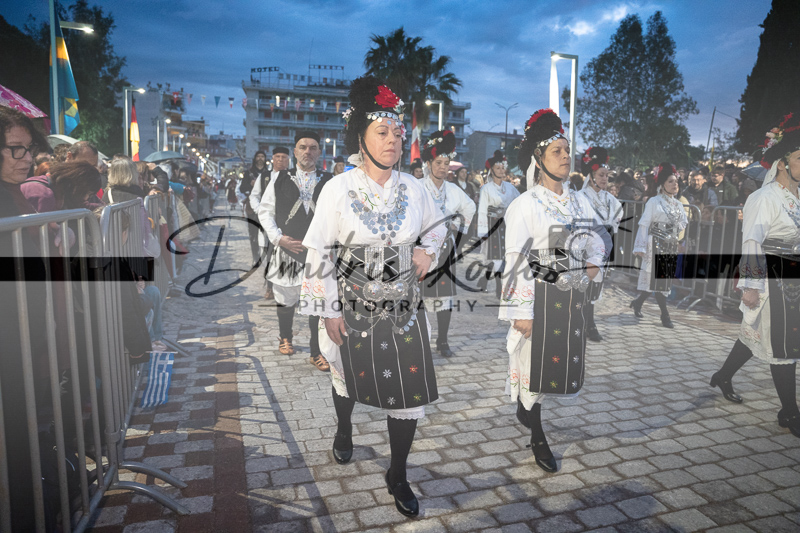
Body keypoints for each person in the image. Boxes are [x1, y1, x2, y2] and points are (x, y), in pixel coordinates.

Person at [300, 76, 445, 517]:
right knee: (345, 374)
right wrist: (327, 310)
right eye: (382, 132)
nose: (393, 140)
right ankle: (344, 429)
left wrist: (428, 251)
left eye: (397, 133)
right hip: (353, 303)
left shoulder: (415, 188)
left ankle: (397, 473)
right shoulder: (337, 188)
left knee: (410, 393)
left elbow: (437, 228)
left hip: (404, 306)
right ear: (360, 138)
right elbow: (319, 251)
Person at [500, 108, 607, 473]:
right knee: (535, 366)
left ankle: (526, 409)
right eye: (556, 151)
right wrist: (521, 312)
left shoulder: (580, 200)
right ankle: (538, 436)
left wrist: (594, 262)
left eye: (566, 150)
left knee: (557, 367)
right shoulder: (524, 205)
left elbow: (598, 238)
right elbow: (515, 260)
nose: (565, 157)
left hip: (571, 301)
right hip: (539, 298)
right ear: (539, 158)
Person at [710, 113, 800, 437]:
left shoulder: (797, 197)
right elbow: (751, 242)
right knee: (784, 345)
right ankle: (790, 412)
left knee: (755, 334)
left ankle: (723, 376)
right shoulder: (763, 198)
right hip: (770, 279)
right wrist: (749, 285)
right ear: (782, 164)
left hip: (792, 278)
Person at [0, 106, 54, 531]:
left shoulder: (15, 195)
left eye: (29, 148)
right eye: (15, 148)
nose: (27, 158)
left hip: (23, 339)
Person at [257, 131, 333, 370]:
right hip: (287, 249)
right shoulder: (279, 178)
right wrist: (279, 239)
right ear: (295, 151)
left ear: (319, 152)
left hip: (317, 252)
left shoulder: (330, 180)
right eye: (303, 147)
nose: (307, 152)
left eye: (313, 147)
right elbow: (265, 212)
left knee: (317, 302)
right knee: (286, 299)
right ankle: (285, 338)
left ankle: (316, 351)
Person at [419, 130, 476, 358]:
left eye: (446, 163)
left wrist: (458, 226)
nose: (443, 168)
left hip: (444, 250)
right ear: (428, 163)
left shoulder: (453, 190)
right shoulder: (417, 187)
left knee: (444, 296)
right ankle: (420, 339)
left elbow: (470, 208)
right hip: (421, 249)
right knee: (419, 296)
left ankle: (442, 340)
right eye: (438, 163)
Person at [630, 163, 688, 328]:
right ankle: (665, 315)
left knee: (658, 281)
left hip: (669, 246)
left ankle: (638, 303)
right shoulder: (654, 201)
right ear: (662, 184)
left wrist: (675, 236)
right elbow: (644, 224)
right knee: (659, 281)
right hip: (655, 244)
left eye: (676, 181)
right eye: (671, 181)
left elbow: (683, 222)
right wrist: (640, 246)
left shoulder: (678, 204)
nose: (675, 184)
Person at [578, 147, 623, 342]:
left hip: (603, 245)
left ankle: (588, 322)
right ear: (591, 176)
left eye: (607, 175)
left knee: (596, 284)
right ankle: (586, 323)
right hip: (585, 246)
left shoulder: (610, 199)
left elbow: (617, 218)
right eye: (601, 175)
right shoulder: (580, 196)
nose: (605, 179)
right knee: (584, 284)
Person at [477, 150, 519, 296]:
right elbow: (482, 209)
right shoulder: (486, 189)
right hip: (492, 225)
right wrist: (483, 232)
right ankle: (498, 286)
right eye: (497, 168)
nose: (501, 171)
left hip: (506, 224)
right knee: (494, 254)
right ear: (492, 170)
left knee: (504, 254)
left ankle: (485, 280)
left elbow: (518, 202)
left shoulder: (510, 187)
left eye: (502, 168)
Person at [250, 146, 291, 300]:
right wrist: (260, 211)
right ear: (272, 159)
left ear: (288, 160)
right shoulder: (264, 176)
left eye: (284, 157)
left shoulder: (292, 176)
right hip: (269, 223)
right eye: (277, 157)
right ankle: (269, 287)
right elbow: (254, 196)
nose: (280, 160)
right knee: (269, 255)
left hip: (287, 223)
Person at [240, 150, 269, 265]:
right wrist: (250, 184)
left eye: (262, 156)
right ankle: (255, 257)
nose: (260, 158)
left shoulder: (268, 173)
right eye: (258, 156)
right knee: (253, 233)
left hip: (267, 206)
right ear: (255, 158)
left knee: (268, 232)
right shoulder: (249, 173)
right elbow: (242, 188)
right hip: (252, 207)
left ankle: (268, 256)